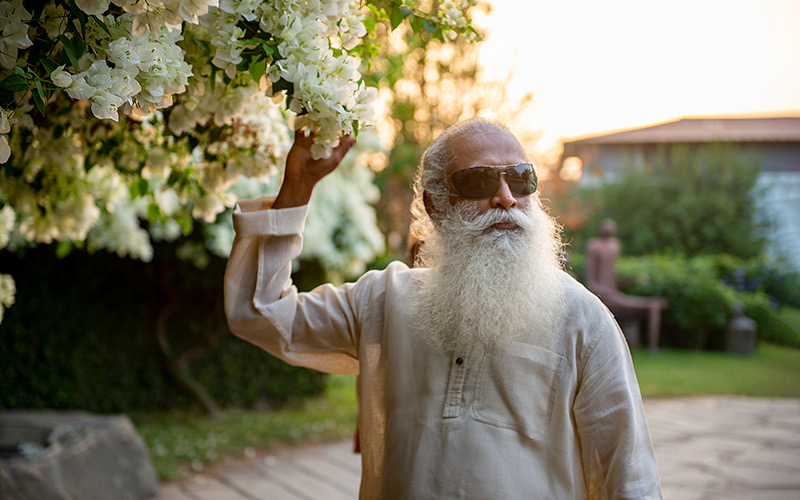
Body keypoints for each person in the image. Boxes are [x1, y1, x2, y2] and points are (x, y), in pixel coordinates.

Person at [224, 118, 662, 499]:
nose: (505, 197)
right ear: (435, 207)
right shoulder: (384, 299)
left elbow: (629, 480)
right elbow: (260, 311)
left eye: (520, 179)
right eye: (478, 182)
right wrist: (298, 187)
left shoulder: (583, 319)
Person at [585, 218, 668, 353]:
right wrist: (610, 293)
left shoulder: (615, 245)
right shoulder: (594, 246)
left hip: (614, 295)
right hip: (606, 297)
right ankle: (653, 348)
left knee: (655, 304)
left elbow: (613, 279)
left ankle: (653, 347)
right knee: (653, 306)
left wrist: (633, 280)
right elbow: (591, 284)